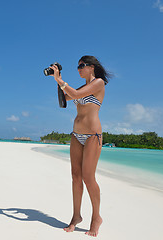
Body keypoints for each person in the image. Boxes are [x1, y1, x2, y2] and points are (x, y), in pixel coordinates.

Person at [49, 55, 110, 237]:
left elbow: (73, 95)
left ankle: (96, 218)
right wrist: (56, 78)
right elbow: (64, 100)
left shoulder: (99, 83)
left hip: (92, 135)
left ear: (92, 67)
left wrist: (60, 80)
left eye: (82, 66)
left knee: (88, 177)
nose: (79, 69)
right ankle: (76, 216)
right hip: (76, 135)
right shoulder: (83, 87)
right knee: (76, 176)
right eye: (78, 66)